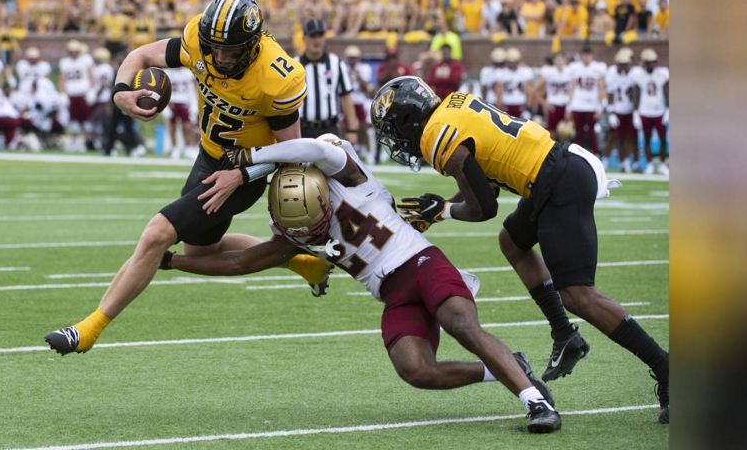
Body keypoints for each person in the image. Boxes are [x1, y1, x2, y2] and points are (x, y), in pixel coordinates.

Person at [168, 135, 562, 433]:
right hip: (392, 294)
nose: (312, 230)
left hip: (421, 263)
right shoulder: (291, 225)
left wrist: (253, 157)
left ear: (322, 192)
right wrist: (173, 261)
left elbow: (317, 150)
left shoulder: (349, 177)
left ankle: (535, 402)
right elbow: (241, 261)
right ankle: (509, 367)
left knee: (461, 324)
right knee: (416, 370)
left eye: (315, 218)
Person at [44, 0, 331, 356]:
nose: (221, 57)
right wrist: (120, 93)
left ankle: (89, 328)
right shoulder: (199, 39)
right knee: (202, 251)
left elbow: (293, 152)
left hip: (244, 172)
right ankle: (303, 263)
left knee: (157, 233)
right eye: (216, 48)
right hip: (208, 159)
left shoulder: (275, 78)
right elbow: (141, 55)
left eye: (232, 50)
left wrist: (242, 176)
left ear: (253, 44)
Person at [371, 76, 670, 424]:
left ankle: (666, 369)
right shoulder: (453, 106)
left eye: (393, 128)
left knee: (578, 295)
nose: (396, 138)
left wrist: (442, 210)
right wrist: (439, 212)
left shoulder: (435, 135)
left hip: (558, 180)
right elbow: (484, 186)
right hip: (556, 167)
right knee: (512, 241)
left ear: (408, 118)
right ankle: (564, 334)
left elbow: (483, 208)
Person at [297, 18, 358, 140]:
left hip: (329, 129)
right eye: (312, 36)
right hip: (302, 130)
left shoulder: (336, 63)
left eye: (320, 35)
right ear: (304, 38)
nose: (317, 40)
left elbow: (346, 97)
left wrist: (352, 129)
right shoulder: (295, 65)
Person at [630, 48, 669, 175]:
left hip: (659, 111)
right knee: (647, 139)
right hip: (644, 111)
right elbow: (636, 94)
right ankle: (650, 164)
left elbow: (667, 91)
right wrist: (635, 112)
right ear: (644, 63)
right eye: (649, 62)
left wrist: (668, 108)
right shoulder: (638, 75)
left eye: (653, 62)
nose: (651, 65)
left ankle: (663, 164)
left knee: (663, 139)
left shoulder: (662, 74)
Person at [566, 47, 608, 157]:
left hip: (592, 106)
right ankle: (577, 155)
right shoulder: (576, 68)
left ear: (592, 56)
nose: (586, 58)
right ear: (581, 56)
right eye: (584, 55)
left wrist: (600, 107)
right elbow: (572, 88)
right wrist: (569, 107)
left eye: (588, 55)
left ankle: (596, 153)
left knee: (592, 132)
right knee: (578, 132)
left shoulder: (597, 68)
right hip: (578, 105)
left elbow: (601, 88)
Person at [58, 40, 97, 151]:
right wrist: (62, 93)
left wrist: (92, 90)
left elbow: (91, 76)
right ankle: (74, 142)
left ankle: (88, 142)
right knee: (73, 119)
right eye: (71, 51)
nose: (74, 53)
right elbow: (62, 79)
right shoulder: (64, 62)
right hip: (71, 94)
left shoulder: (85, 59)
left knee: (86, 119)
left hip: (83, 94)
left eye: (76, 51)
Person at [604, 47, 639, 172]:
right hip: (617, 110)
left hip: (630, 110)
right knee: (614, 137)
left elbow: (636, 93)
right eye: (621, 64)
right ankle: (606, 160)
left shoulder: (635, 73)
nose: (623, 67)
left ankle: (626, 161)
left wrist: (635, 112)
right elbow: (610, 93)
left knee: (629, 137)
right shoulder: (612, 72)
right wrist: (611, 112)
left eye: (626, 64)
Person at [342, 45, 376, 163]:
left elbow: (366, 88)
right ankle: (344, 148)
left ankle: (364, 149)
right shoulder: (342, 68)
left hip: (359, 99)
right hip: (347, 99)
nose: (352, 60)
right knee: (344, 124)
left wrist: (357, 76)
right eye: (350, 58)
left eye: (354, 58)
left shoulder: (363, 69)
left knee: (363, 125)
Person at [164, 64, 199, 159]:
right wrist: (165, 106)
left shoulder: (187, 73)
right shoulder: (167, 73)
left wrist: (194, 104)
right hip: (172, 101)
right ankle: (175, 148)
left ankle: (189, 148)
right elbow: (164, 90)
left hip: (185, 101)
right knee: (172, 127)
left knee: (188, 127)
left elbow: (192, 90)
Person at [538, 53, 573, 139]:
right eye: (557, 60)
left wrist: (570, 107)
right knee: (551, 133)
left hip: (565, 106)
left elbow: (573, 91)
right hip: (553, 106)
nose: (559, 62)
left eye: (561, 60)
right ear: (553, 61)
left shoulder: (570, 72)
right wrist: (544, 103)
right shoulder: (548, 72)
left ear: (565, 61)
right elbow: (537, 89)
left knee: (567, 133)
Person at [500, 48, 535, 120]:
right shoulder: (501, 72)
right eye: (510, 62)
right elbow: (498, 90)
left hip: (521, 104)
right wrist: (500, 104)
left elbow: (529, 90)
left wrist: (528, 105)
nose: (512, 64)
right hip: (506, 104)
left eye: (514, 62)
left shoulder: (525, 71)